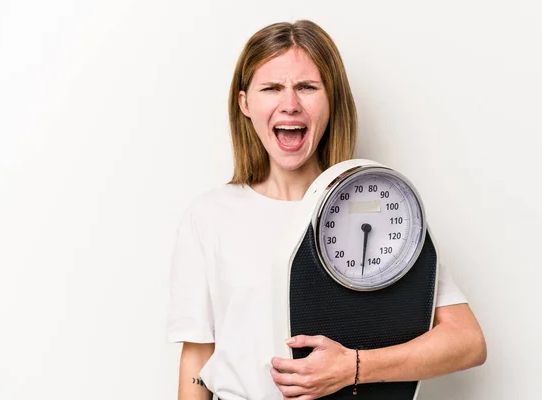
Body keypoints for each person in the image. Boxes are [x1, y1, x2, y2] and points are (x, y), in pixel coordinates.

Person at [167, 20, 487, 400]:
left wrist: (353, 368)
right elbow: (198, 357)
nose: (290, 104)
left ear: (331, 100)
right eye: (271, 88)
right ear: (245, 103)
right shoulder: (209, 216)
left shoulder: (382, 212)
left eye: (307, 87)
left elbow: (467, 342)